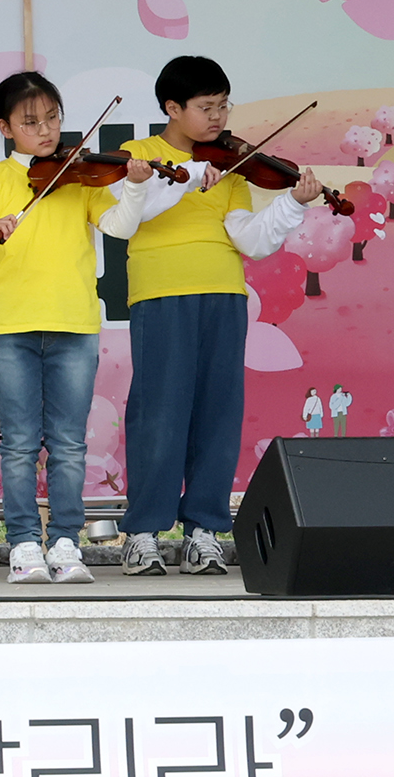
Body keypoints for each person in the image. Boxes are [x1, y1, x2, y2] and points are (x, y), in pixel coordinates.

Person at [0, 71, 174, 585]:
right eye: (30, 122)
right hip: (11, 325)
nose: (45, 130)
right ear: (4, 127)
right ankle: (23, 544)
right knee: (20, 442)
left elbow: (119, 227)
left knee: (69, 443)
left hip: (73, 323)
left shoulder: (78, 176)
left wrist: (133, 187)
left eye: (52, 118)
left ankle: (66, 541)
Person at [106, 55, 324, 575]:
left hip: (226, 294)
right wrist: (186, 180)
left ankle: (203, 528)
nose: (218, 117)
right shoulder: (140, 156)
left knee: (219, 414)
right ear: (172, 107)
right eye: (206, 107)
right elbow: (133, 215)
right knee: (159, 413)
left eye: (224, 105)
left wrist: (292, 203)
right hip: (162, 293)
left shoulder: (229, 164)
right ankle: (142, 532)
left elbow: (250, 237)